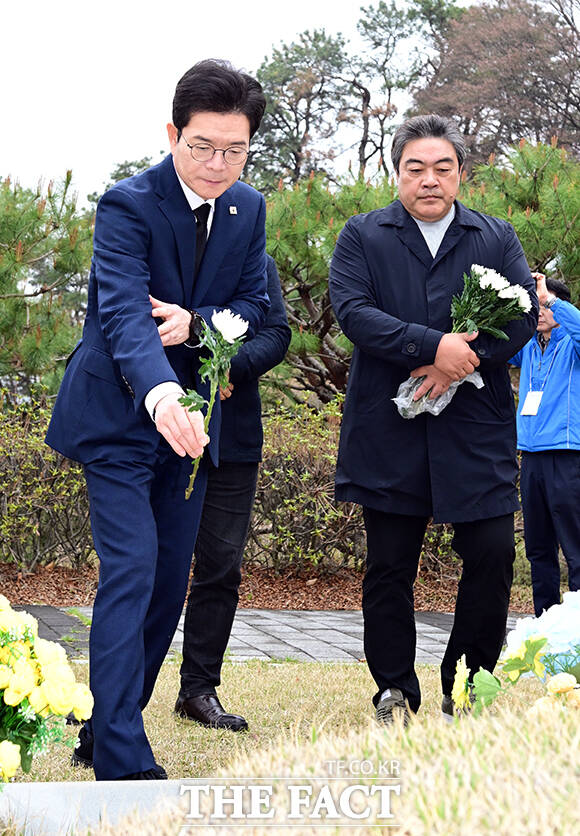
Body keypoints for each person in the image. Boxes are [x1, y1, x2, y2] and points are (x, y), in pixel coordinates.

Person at [45, 59, 269, 780]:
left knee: (171, 579)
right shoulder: (127, 205)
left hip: (194, 432)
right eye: (201, 145)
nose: (216, 164)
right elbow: (121, 316)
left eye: (234, 149)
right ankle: (120, 757)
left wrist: (199, 324)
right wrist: (161, 395)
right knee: (133, 571)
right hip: (119, 418)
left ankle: (100, 725)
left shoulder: (248, 209)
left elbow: (257, 311)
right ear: (173, 133)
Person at [328, 114, 538, 724]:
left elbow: (522, 316)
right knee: (390, 563)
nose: (429, 179)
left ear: (461, 174)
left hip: (475, 425)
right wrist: (431, 346)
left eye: (442, 168)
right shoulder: (362, 235)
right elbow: (354, 314)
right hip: (389, 427)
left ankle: (470, 680)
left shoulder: (494, 237)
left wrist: (454, 363)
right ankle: (393, 686)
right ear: (397, 174)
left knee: (494, 552)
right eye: (414, 168)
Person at [169, 255, 291, 731]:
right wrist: (200, 370)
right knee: (144, 564)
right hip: (162, 423)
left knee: (220, 567)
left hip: (233, 434)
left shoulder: (255, 260)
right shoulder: (159, 248)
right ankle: (117, 690)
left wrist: (227, 368)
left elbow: (276, 334)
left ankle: (198, 688)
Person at [509, 273, 580, 617]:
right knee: (538, 548)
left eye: (545, 304)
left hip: (567, 456)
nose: (539, 310)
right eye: (535, 305)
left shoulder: (572, 342)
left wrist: (549, 296)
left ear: (559, 305)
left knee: (575, 545)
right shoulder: (528, 346)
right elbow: (497, 343)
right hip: (531, 457)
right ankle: (546, 622)